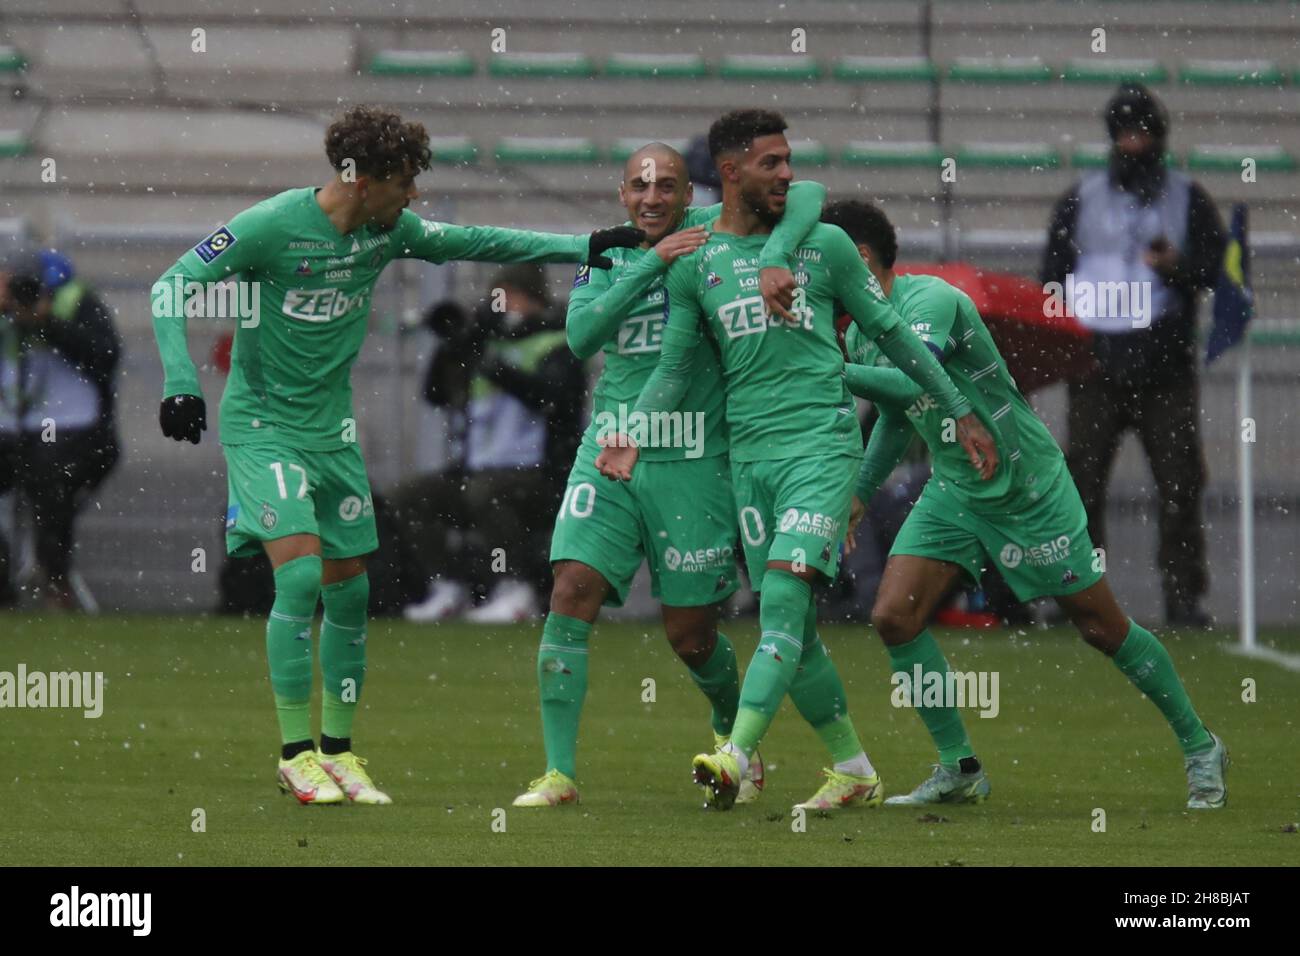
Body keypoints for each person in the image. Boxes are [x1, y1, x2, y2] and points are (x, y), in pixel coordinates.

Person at [152, 104, 641, 806]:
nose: (415, 196)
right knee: (299, 580)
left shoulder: (390, 232)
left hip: (331, 432)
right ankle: (296, 754)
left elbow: (478, 238)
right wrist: (178, 383)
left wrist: (588, 243)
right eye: (406, 182)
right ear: (363, 179)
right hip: (263, 426)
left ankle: (341, 753)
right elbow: (171, 285)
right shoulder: (271, 225)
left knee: (351, 590)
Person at [597, 109, 997, 811]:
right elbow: (672, 366)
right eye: (771, 163)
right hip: (750, 460)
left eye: (789, 161)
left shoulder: (825, 246)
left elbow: (896, 337)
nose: (789, 174)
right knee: (796, 631)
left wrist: (959, 409)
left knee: (782, 599)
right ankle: (853, 770)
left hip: (820, 444)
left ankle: (735, 752)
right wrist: (636, 427)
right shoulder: (698, 264)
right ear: (729, 172)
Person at [832, 198, 1227, 810]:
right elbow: (896, 413)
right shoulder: (860, 329)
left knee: (1100, 627)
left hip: (1025, 486)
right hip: (955, 488)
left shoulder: (928, 302)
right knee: (894, 616)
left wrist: (831, 369)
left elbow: (915, 379)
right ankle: (959, 767)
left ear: (856, 259)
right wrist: (860, 494)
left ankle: (1201, 745)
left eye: (820, 260)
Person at [512, 142, 825, 807]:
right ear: (622, 194)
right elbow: (582, 336)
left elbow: (809, 194)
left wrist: (771, 258)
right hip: (611, 448)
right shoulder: (607, 252)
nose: (651, 197)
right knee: (571, 588)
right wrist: (649, 263)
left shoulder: (720, 244)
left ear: (691, 194)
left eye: (666, 186)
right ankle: (560, 773)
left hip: (695, 459)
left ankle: (733, 729)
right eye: (638, 186)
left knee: (690, 635)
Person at [1042, 83, 1225, 628]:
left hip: (1164, 367)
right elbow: (1052, 274)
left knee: (1180, 485)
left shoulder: (1189, 198)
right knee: (1082, 486)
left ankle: (1183, 599)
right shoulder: (1081, 197)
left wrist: (1179, 267)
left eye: (1143, 134)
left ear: (1160, 139)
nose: (1134, 144)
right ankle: (1078, 596)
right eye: (1125, 135)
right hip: (1095, 365)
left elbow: (1216, 270)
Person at [397, 264, 587, 623]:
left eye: (512, 296)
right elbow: (435, 394)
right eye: (498, 296)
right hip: (479, 469)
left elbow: (551, 398)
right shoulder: (484, 339)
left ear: (534, 298)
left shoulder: (559, 341)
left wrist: (492, 364)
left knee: (486, 494)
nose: (503, 304)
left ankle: (515, 588)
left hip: (539, 474)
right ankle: (446, 586)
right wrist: (454, 345)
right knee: (410, 496)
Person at [0, 249, 121, 609]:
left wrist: (47, 323)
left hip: (71, 427)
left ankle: (53, 575)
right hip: (10, 427)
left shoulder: (77, 304)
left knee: (52, 483)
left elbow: (106, 356)